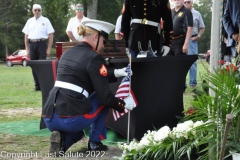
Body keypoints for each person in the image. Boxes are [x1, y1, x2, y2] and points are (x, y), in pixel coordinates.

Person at [42, 19, 135, 155]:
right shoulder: (95, 57)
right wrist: (122, 104)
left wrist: (115, 72)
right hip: (71, 119)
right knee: (101, 97)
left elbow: (87, 76)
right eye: (103, 41)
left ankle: (61, 143)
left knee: (78, 133)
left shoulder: (68, 53)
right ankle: (95, 142)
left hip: (49, 116)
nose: (103, 46)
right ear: (96, 37)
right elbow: (105, 97)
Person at [22, 4, 54, 91]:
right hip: (32, 44)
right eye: (35, 10)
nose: (37, 11)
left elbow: (51, 34)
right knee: (34, 66)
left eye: (39, 10)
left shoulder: (46, 20)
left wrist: (48, 48)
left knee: (42, 65)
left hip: (42, 44)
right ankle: (37, 86)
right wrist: (27, 48)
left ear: (41, 11)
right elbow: (26, 35)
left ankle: (43, 86)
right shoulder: (29, 21)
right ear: (32, 11)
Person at [183, 0, 205, 88]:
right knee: (182, 62)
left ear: (192, 3)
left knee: (193, 62)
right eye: (185, 2)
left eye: (188, 2)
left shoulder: (197, 14)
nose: (186, 4)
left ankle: (193, 83)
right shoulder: (179, 13)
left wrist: (198, 36)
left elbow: (202, 27)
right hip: (182, 39)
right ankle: (182, 84)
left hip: (193, 39)